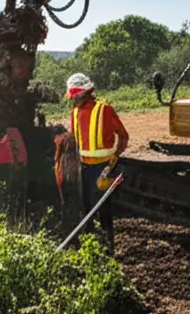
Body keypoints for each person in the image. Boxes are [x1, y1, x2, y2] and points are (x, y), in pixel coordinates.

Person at [65, 73, 129, 253]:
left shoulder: (104, 109)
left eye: (74, 96)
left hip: (103, 169)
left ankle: (108, 252)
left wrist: (115, 157)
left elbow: (123, 136)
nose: (72, 100)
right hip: (83, 169)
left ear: (83, 93)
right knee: (86, 211)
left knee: (103, 213)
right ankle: (91, 251)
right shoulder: (75, 112)